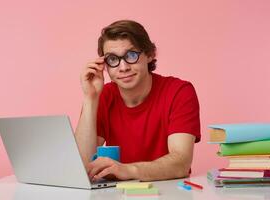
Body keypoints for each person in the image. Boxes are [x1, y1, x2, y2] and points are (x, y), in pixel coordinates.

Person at [75, 20, 201, 182]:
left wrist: (127, 169)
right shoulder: (104, 96)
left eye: (131, 55)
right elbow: (81, 166)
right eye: (113, 59)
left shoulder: (179, 91)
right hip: (118, 193)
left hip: (169, 192)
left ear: (150, 54)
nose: (123, 67)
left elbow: (180, 163)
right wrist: (90, 98)